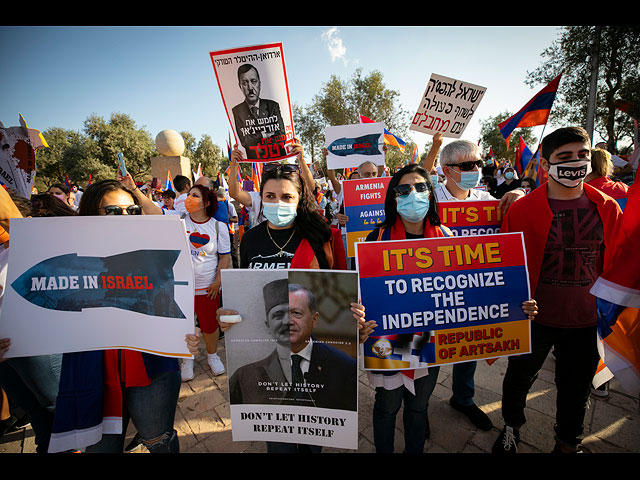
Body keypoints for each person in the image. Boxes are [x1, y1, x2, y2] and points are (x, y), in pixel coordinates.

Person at [493, 126, 622, 454]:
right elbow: (507, 266)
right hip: (535, 319)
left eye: (583, 155)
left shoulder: (608, 208)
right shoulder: (521, 210)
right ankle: (511, 426)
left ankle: (568, 442)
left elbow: (619, 263)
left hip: (587, 320)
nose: (576, 163)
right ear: (546, 165)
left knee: (577, 389)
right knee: (519, 378)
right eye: (565, 157)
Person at [47, 179, 183, 453]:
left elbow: (175, 306)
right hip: (92, 369)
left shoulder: (157, 251)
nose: (124, 217)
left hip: (150, 364)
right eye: (112, 211)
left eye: (131, 211)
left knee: (159, 442)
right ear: (89, 214)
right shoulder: (64, 259)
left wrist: (185, 337)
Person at [435, 139, 526, 431]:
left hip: (474, 291)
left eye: (478, 163)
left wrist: (520, 192)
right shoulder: (428, 202)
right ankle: (418, 407)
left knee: (468, 349)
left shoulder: (489, 202)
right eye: (467, 165)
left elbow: (528, 212)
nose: (475, 168)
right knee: (430, 351)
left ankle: (463, 399)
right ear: (446, 170)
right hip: (434, 290)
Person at [229, 280, 357, 411]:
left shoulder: (344, 367)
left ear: (314, 319)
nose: (287, 321)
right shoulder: (243, 378)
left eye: (296, 313)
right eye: (278, 315)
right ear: (268, 325)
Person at [179, 184, 231, 381]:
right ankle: (187, 358)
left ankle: (212, 355)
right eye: (189, 194)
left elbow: (224, 257)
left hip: (207, 287)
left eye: (195, 195)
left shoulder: (218, 226)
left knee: (209, 325)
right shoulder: (179, 222)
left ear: (206, 203)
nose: (189, 198)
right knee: (185, 325)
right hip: (182, 287)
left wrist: (218, 281)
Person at [232, 63, 285, 160]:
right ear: (240, 86)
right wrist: (265, 135)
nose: (250, 88)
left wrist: (256, 145)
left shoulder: (273, 106)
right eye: (245, 83)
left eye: (253, 81)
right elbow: (245, 142)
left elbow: (281, 138)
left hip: (277, 161)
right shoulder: (237, 111)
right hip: (255, 163)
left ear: (260, 83)